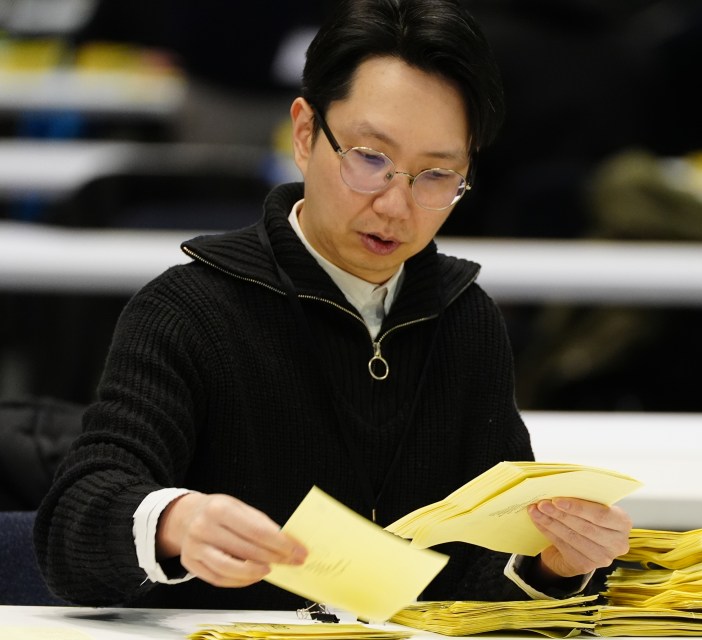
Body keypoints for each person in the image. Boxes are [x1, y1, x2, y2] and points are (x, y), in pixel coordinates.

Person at [33, 0, 631, 611]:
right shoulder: (189, 308)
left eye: (436, 176)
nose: (397, 207)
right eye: (371, 160)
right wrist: (172, 521)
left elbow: (475, 567)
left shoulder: (463, 318)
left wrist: (552, 564)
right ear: (304, 134)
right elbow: (74, 520)